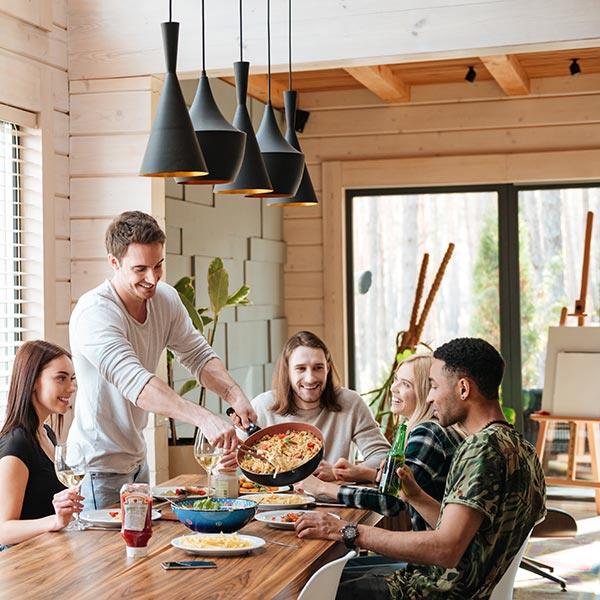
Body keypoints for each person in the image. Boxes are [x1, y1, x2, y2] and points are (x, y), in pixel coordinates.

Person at [295, 338, 547, 600]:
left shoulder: (481, 450)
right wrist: (415, 496)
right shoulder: (521, 448)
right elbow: (467, 533)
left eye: (435, 386)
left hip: (432, 591)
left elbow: (446, 549)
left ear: (463, 388)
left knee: (310, 589)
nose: (429, 397)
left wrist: (346, 531)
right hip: (456, 585)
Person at [67, 211, 256, 509]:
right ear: (113, 263)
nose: (152, 278)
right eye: (140, 269)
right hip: (95, 468)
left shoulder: (165, 299)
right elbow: (137, 384)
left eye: (158, 266)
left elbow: (197, 354)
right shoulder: (95, 313)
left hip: (137, 461)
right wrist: (204, 418)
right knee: (103, 557)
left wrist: (234, 394)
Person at [298, 353, 465, 531]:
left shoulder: (428, 434)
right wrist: (363, 473)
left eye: (406, 384)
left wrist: (322, 488)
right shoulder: (435, 429)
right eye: (396, 380)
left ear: (426, 393)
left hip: (431, 554)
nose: (393, 388)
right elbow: (410, 482)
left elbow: (390, 501)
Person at [247, 331, 390, 476]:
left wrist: (341, 473)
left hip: (333, 497)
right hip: (275, 497)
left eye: (318, 368)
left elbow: (382, 456)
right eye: (301, 368)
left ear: (328, 368)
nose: (310, 378)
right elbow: (238, 455)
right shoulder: (262, 406)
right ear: (287, 370)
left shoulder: (351, 403)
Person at [0, 341, 83, 548]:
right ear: (33, 381)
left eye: (72, 379)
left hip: (47, 556)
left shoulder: (46, 433)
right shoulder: (17, 444)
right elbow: (3, 530)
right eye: (61, 378)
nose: (71, 388)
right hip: (23, 568)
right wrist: (55, 521)